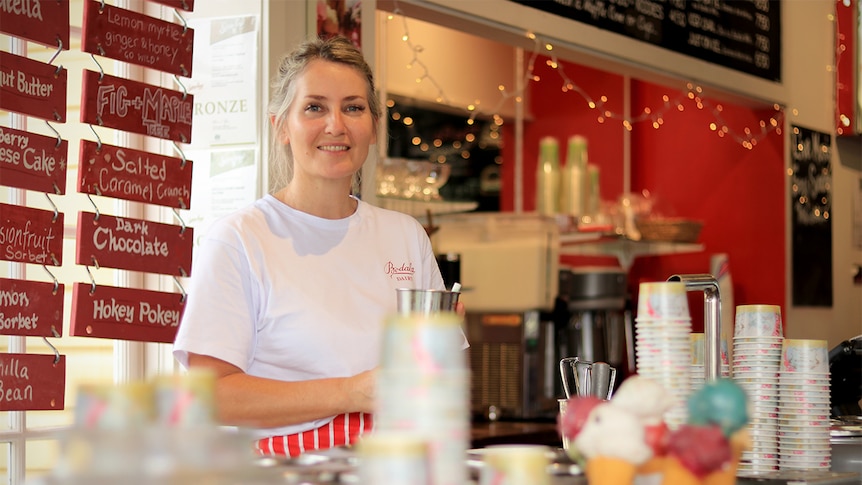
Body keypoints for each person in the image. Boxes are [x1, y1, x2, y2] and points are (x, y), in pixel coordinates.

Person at [172, 35, 459, 457]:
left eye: (353, 107)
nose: (336, 125)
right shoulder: (240, 239)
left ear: (374, 126)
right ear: (281, 127)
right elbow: (209, 396)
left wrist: (440, 348)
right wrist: (350, 393)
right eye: (314, 107)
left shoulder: (405, 236)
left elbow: (433, 381)